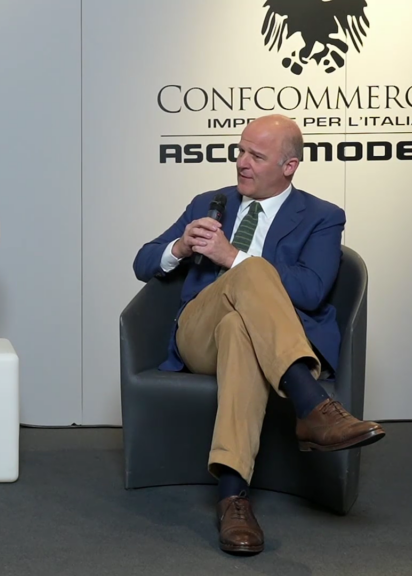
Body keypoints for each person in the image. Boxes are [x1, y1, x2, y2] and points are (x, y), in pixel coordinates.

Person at [132, 114, 384, 555]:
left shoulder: (322, 216)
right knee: (249, 277)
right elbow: (143, 263)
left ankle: (233, 498)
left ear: (289, 166)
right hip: (199, 334)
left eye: (257, 156)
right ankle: (312, 405)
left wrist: (232, 256)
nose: (242, 163)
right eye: (241, 151)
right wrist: (181, 247)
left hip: (257, 339)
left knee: (240, 326)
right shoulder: (208, 203)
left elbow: (311, 290)